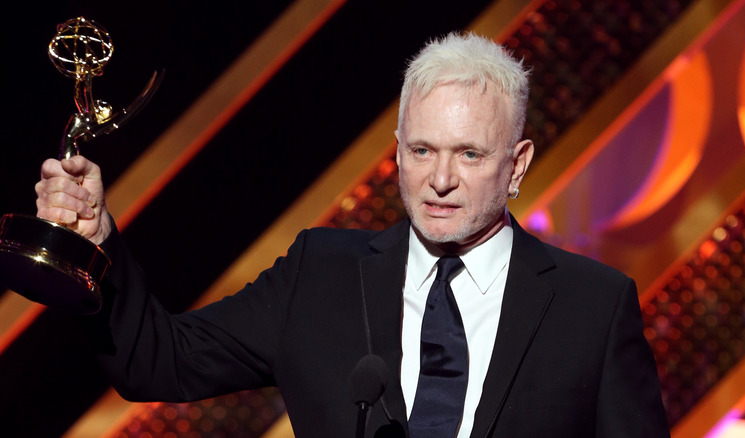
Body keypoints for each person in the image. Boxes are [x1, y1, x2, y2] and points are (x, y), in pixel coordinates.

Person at [35, 33, 669, 437]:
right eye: (422, 150)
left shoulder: (593, 306)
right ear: (397, 152)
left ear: (518, 164)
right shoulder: (321, 273)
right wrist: (97, 242)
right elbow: (158, 361)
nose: (440, 179)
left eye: (470, 154)